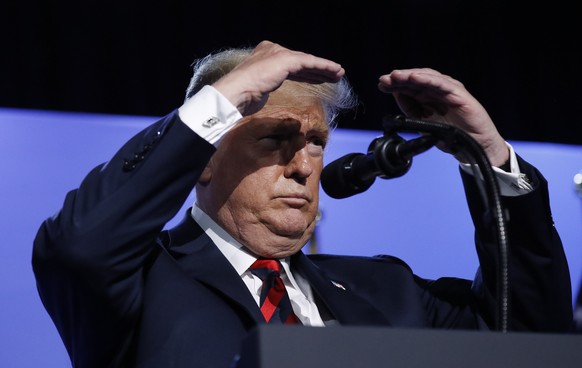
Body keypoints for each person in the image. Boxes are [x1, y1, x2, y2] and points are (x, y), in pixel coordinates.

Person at [32, 40, 574, 368]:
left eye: (315, 142)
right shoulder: (141, 282)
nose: (303, 165)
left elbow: (530, 336)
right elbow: (80, 245)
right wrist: (219, 101)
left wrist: (487, 153)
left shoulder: (387, 288)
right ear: (203, 161)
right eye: (273, 139)